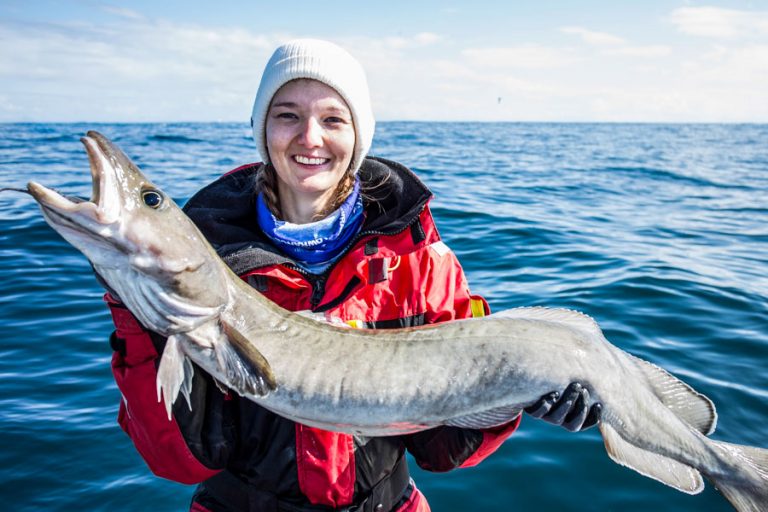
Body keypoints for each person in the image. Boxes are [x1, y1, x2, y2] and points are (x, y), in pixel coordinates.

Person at [103, 39, 600, 512]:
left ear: (357, 135)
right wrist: (134, 312)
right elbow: (176, 460)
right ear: (262, 129)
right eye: (287, 116)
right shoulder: (208, 255)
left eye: (332, 119)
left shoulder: (421, 259)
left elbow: (443, 451)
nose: (310, 138)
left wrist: (515, 396)